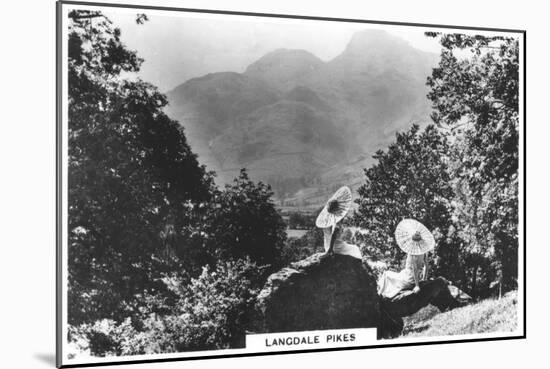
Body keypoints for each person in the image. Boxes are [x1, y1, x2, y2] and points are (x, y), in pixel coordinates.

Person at [377, 219, 435, 299]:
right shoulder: (424, 250)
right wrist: (424, 279)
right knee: (398, 273)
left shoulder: (413, 251)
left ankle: (379, 296)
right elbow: (426, 266)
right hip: (414, 277)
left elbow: (415, 268)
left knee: (386, 274)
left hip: (409, 279)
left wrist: (417, 285)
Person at [315, 186, 362, 260]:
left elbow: (329, 235)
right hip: (335, 247)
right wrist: (330, 250)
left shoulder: (330, 220)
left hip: (327, 245)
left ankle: (330, 249)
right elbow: (334, 235)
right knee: (355, 249)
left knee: (352, 247)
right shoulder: (338, 220)